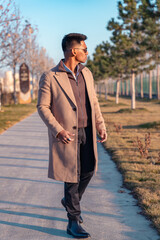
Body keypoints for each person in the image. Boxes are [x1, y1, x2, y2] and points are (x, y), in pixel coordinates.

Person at [37, 33, 107, 239]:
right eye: (85, 49)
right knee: (71, 176)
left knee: (88, 170)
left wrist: (100, 125)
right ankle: (73, 220)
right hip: (67, 134)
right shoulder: (50, 76)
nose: (87, 52)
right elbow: (42, 107)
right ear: (73, 51)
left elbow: (93, 103)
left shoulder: (87, 73)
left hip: (87, 131)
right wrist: (58, 130)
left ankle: (70, 201)